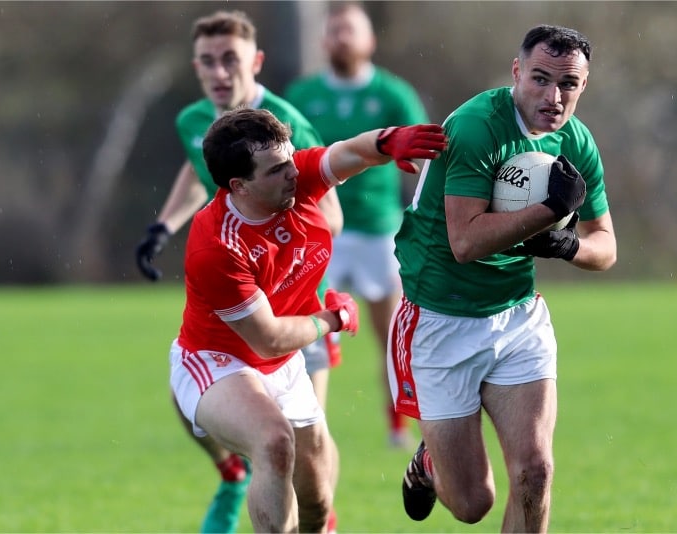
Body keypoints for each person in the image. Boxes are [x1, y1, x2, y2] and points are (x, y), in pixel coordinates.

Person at [170, 106, 447, 532]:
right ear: (239, 186)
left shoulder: (293, 179)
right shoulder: (217, 247)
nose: (293, 172)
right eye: (277, 169)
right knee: (274, 443)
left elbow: (350, 153)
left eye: (289, 159)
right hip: (218, 362)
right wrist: (332, 319)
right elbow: (268, 339)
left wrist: (389, 142)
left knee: (317, 502)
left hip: (284, 364)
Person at [390, 25, 617, 532]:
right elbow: (465, 242)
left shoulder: (575, 140)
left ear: (584, 85)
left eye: (568, 84)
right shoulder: (477, 126)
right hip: (440, 317)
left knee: (535, 472)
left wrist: (569, 245)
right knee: (473, 504)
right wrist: (548, 212)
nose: (553, 97)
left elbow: (606, 247)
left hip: (517, 316)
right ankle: (429, 462)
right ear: (516, 72)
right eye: (540, 78)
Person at [133, 10, 344, 533]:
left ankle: (317, 519)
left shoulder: (286, 124)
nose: (219, 72)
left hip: (299, 306)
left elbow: (330, 215)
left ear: (256, 61)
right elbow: (196, 172)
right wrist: (163, 226)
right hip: (243, 301)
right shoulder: (194, 120)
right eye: (207, 61)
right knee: (210, 409)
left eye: (230, 59)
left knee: (307, 463)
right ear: (196, 67)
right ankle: (234, 476)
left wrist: (278, 240)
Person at [284, 1, 430, 448]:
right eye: (334, 30)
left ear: (370, 40)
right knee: (307, 329)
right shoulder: (302, 95)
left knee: (391, 334)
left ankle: (398, 427)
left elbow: (425, 155)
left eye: (350, 30)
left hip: (378, 229)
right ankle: (307, 425)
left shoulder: (393, 93)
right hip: (317, 230)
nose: (341, 38)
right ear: (323, 40)